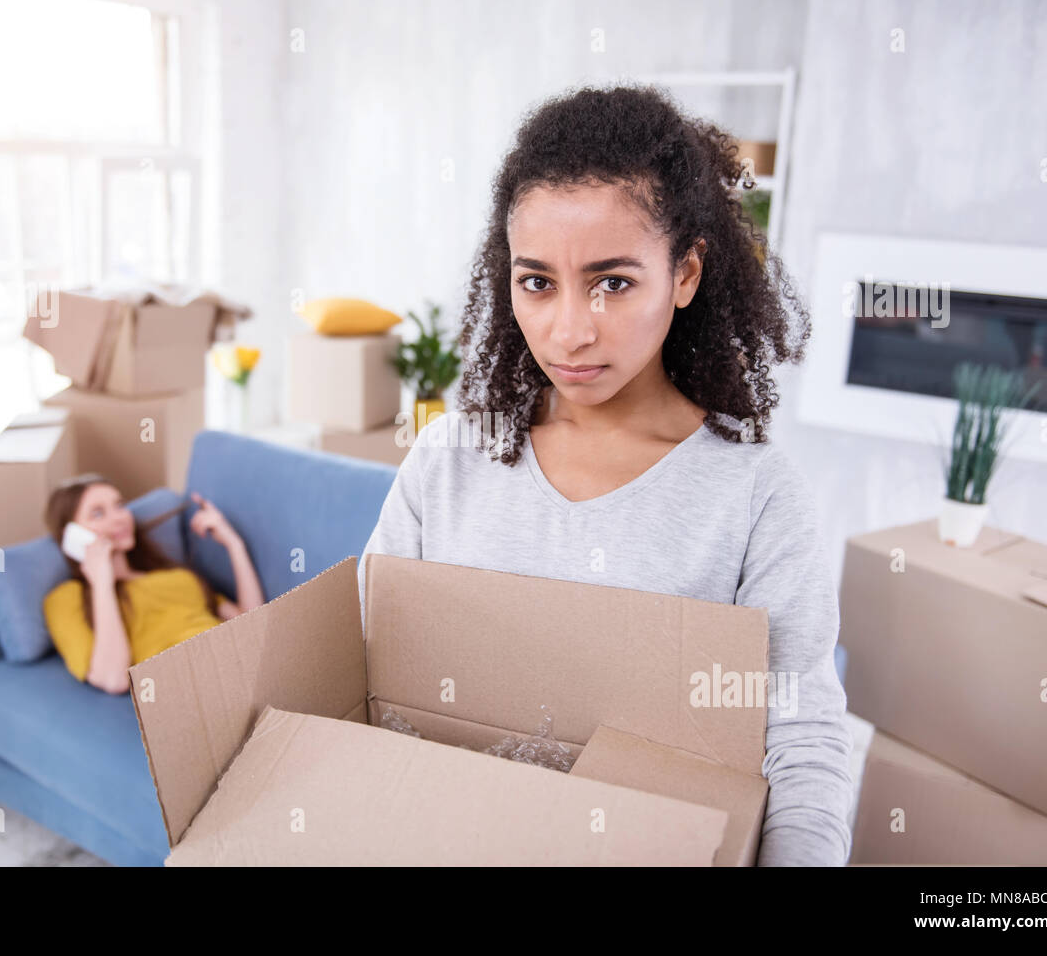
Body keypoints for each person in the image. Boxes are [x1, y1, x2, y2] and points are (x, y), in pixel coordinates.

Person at [358, 84, 853, 866]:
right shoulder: (447, 458)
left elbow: (798, 731)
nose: (570, 330)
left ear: (685, 274)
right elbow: (366, 661)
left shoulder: (755, 495)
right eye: (537, 281)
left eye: (613, 282)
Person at [43, 473, 265, 693]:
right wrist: (102, 581)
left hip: (242, 662)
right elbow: (113, 679)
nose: (120, 517)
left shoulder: (177, 577)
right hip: (192, 686)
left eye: (119, 505)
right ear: (72, 535)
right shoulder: (66, 598)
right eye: (98, 513)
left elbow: (253, 626)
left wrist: (234, 544)